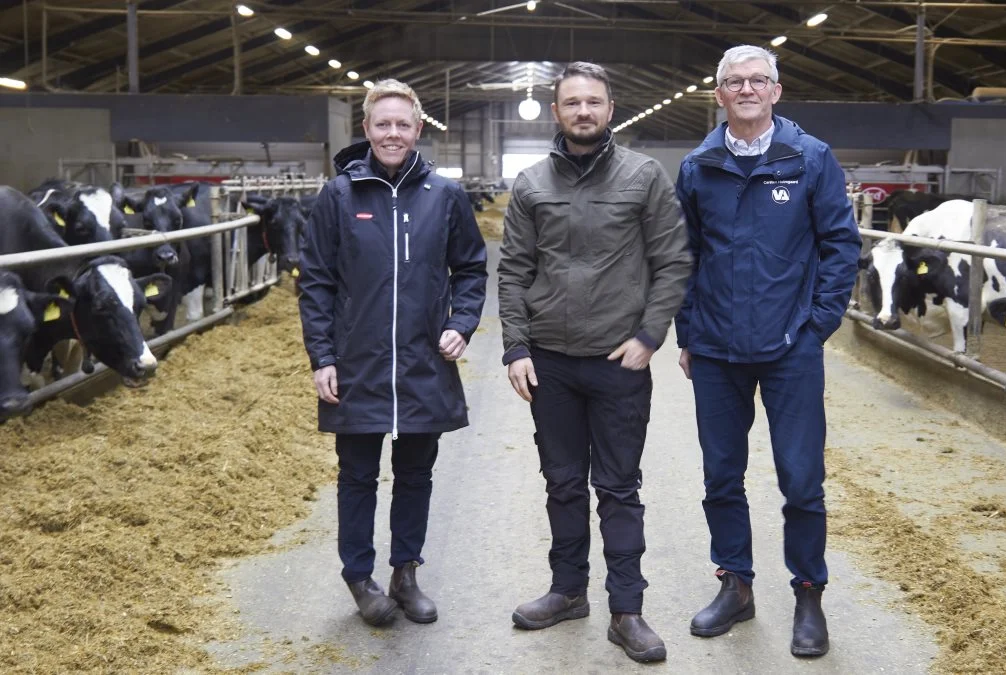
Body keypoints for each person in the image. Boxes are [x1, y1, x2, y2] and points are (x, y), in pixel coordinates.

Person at [497, 62, 691, 663]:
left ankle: (627, 609)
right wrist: (516, 346)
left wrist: (650, 335)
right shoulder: (530, 184)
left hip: (618, 362)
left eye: (594, 102)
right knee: (561, 482)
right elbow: (512, 271)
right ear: (557, 111)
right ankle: (567, 591)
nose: (583, 111)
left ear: (611, 109)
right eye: (572, 102)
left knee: (618, 486)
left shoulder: (644, 176)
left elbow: (673, 261)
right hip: (551, 362)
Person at [674, 45, 862, 657]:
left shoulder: (810, 159)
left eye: (759, 80)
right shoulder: (698, 165)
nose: (748, 89)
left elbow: (840, 245)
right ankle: (736, 584)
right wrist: (688, 332)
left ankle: (808, 592)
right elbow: (683, 256)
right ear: (720, 93)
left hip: (790, 349)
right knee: (721, 475)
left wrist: (819, 325)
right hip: (717, 349)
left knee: (802, 478)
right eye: (735, 81)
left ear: (777, 92)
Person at [297, 79, 487, 627]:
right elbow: (316, 281)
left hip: (424, 361)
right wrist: (323, 356)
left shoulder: (444, 195)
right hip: (357, 362)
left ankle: (406, 573)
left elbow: (471, 268)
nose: (393, 133)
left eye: (403, 124)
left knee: (416, 473)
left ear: (418, 128)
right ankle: (360, 576)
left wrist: (463, 322)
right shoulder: (339, 195)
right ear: (367, 129)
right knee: (356, 473)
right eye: (383, 124)